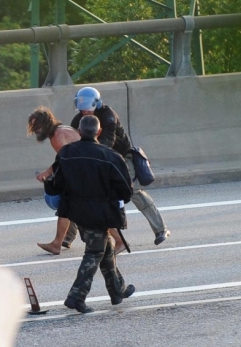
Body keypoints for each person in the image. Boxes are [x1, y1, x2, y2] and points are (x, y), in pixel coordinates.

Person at [50, 115, 135, 313]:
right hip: (101, 213)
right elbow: (126, 191)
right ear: (98, 132)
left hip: (76, 212)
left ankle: (117, 290)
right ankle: (76, 297)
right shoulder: (111, 156)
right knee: (95, 252)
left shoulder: (66, 153)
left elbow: (57, 185)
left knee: (105, 247)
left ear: (79, 132)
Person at [71, 87, 170, 246]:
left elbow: (107, 143)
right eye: (82, 109)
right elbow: (73, 140)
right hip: (98, 160)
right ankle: (67, 238)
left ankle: (160, 229)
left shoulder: (109, 116)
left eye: (87, 109)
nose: (84, 113)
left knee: (133, 191)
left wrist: (88, 156)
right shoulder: (79, 120)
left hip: (120, 159)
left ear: (97, 104)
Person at [27, 106, 125, 255]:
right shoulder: (60, 130)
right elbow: (66, 158)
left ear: (45, 123)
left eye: (37, 126)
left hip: (89, 173)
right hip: (89, 170)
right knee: (66, 208)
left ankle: (120, 241)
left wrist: (50, 175)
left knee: (95, 211)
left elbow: (66, 160)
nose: (35, 130)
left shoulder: (58, 136)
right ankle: (57, 244)